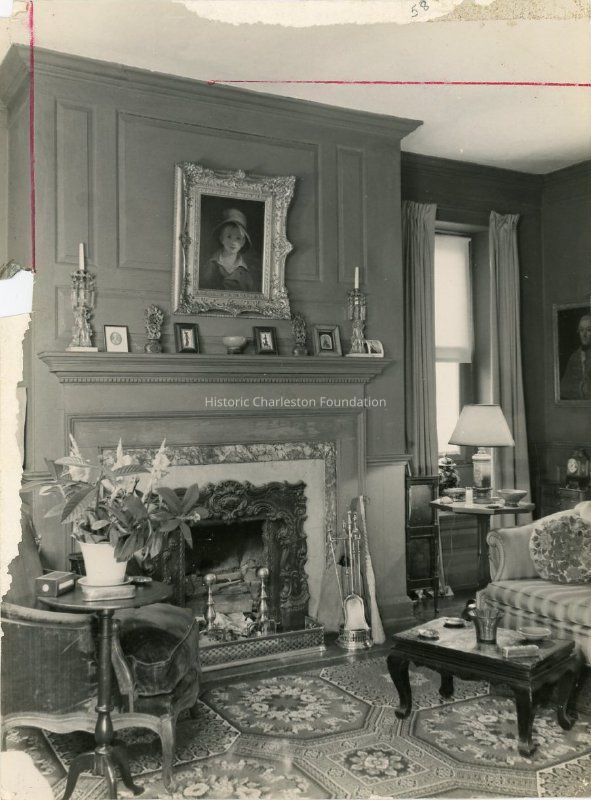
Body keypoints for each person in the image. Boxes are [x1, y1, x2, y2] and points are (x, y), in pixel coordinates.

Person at [199, 208, 258, 293]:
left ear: (243, 242)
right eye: (229, 237)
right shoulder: (211, 265)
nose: (233, 242)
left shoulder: (244, 272)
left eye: (238, 238)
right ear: (221, 238)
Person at [560, 313, 591, 400]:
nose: (584, 334)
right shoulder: (574, 356)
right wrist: (580, 388)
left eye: (589, 330)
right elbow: (563, 389)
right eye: (581, 330)